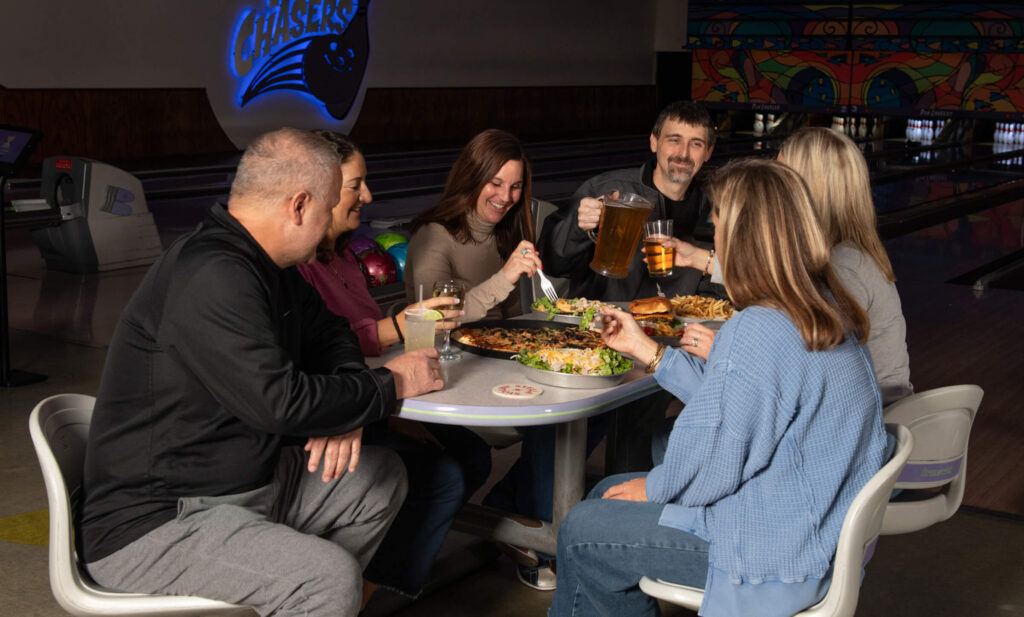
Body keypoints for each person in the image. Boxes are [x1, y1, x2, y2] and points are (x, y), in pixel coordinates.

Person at [80, 128, 445, 617]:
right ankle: (311, 596)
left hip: (243, 484)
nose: (332, 221)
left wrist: (347, 408)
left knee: (379, 479)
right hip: (162, 519)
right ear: (298, 206)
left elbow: (332, 331)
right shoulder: (214, 274)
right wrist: (392, 383)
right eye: (328, 206)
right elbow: (280, 404)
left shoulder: (268, 266)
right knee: (328, 578)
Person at [550, 158, 888, 617]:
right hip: (808, 527)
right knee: (604, 493)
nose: (713, 231)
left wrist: (656, 487)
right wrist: (648, 350)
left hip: (769, 551)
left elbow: (715, 460)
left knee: (581, 528)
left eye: (720, 222)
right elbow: (746, 404)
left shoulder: (761, 327)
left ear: (749, 235)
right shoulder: (826, 309)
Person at [297, 130, 492, 598]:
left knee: (472, 453)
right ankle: (365, 591)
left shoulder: (344, 259)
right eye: (355, 185)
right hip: (337, 413)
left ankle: (387, 572)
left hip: (373, 398)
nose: (368, 195)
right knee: (442, 473)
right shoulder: (298, 267)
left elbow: (352, 340)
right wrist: (396, 328)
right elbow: (325, 348)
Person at [667, 127, 912, 405]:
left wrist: (723, 353)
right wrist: (698, 258)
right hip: (853, 411)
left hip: (862, 420)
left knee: (669, 436)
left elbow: (798, 374)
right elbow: (779, 284)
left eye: (780, 174)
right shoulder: (844, 255)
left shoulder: (843, 268)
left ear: (802, 187)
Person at [537, 100, 725, 301]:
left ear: (708, 153)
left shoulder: (715, 209)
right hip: (604, 325)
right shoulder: (606, 189)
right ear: (654, 142)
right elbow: (551, 263)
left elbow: (724, 290)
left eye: (696, 144)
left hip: (677, 328)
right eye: (674, 140)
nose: (683, 153)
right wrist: (576, 227)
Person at [405, 128, 541, 320]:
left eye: (515, 186)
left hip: (498, 344)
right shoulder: (433, 236)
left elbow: (515, 319)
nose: (505, 196)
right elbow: (436, 319)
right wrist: (503, 279)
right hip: (447, 348)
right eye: (496, 183)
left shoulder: (505, 234)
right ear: (473, 178)